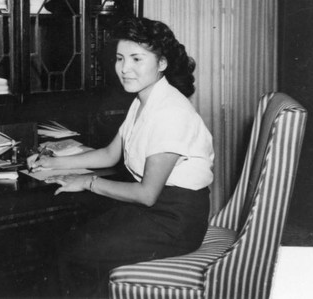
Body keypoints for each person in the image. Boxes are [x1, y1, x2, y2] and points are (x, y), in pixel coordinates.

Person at [27, 17, 214, 298]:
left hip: (174, 220)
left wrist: (87, 182)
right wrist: (53, 162)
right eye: (119, 58)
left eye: (137, 59)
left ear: (161, 63)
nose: (124, 69)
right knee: (68, 238)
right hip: (156, 210)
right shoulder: (144, 100)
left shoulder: (171, 113)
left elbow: (147, 193)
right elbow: (109, 154)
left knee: (73, 252)